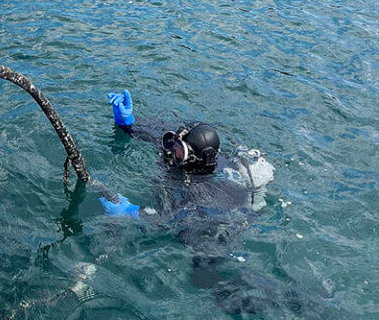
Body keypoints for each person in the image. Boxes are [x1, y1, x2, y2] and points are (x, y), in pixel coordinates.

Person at [101, 90, 275, 257]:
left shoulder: (202, 189)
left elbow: (172, 219)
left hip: (212, 229)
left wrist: (134, 213)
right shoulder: (181, 154)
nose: (169, 151)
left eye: (177, 149)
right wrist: (128, 123)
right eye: (173, 143)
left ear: (192, 157)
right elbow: (153, 133)